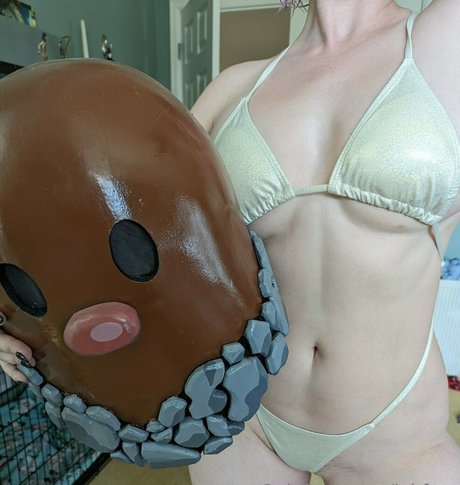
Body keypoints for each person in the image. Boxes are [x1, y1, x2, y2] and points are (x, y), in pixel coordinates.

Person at [1, 0, 459, 483]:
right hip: (246, 419)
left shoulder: (445, 38)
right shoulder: (234, 88)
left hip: (395, 428)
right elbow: (102, 214)